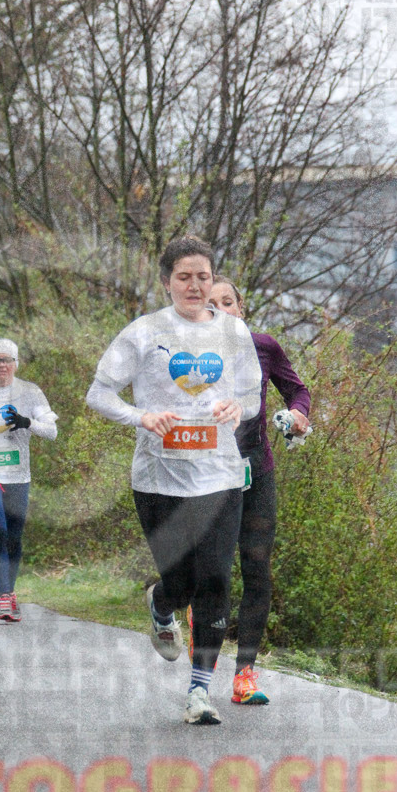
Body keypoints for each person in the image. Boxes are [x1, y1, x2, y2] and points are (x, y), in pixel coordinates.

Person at [86, 237, 261, 725]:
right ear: (166, 282)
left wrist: (236, 408)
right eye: (184, 276)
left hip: (220, 476)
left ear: (213, 280)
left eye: (203, 276)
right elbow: (99, 394)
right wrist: (140, 416)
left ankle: (200, 691)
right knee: (181, 582)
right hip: (159, 478)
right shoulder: (144, 332)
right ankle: (161, 604)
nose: (194, 285)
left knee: (217, 578)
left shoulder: (234, 333)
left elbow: (253, 400)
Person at [208, 275, 311, 705]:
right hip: (208, 476)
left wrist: (298, 414)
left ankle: (245, 673)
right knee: (212, 573)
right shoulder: (192, 355)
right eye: (210, 305)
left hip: (257, 473)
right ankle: (202, 658)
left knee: (256, 569)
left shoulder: (263, 346)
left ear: (241, 306)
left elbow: (298, 390)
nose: (220, 311)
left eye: (227, 302)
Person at [0, 339, 57, 620]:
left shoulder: (29, 392)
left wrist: (26, 422)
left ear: (16, 364)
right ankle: (4, 596)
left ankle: (10, 592)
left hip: (18, 475)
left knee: (14, 533)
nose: (2, 365)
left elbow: (52, 431)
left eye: (7, 360)